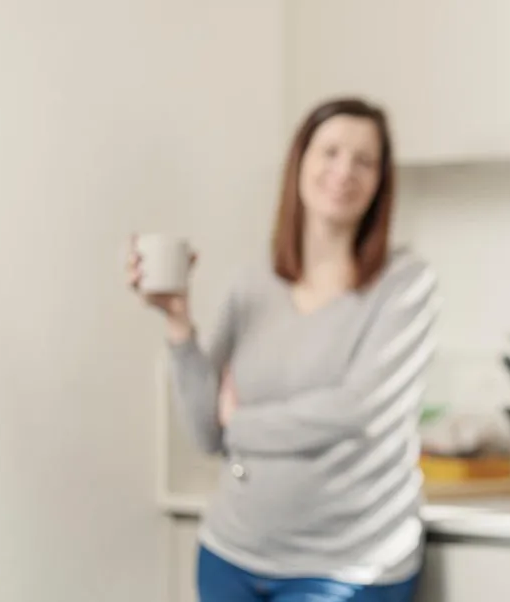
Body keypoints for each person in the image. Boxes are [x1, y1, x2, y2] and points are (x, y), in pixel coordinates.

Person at [127, 97, 439, 602]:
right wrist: (178, 320)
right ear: (301, 163)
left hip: (348, 566)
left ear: (382, 181)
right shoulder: (252, 283)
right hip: (231, 552)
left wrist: (242, 424)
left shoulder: (405, 284)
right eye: (331, 152)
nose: (345, 171)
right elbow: (206, 431)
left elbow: (357, 410)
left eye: (364, 160)